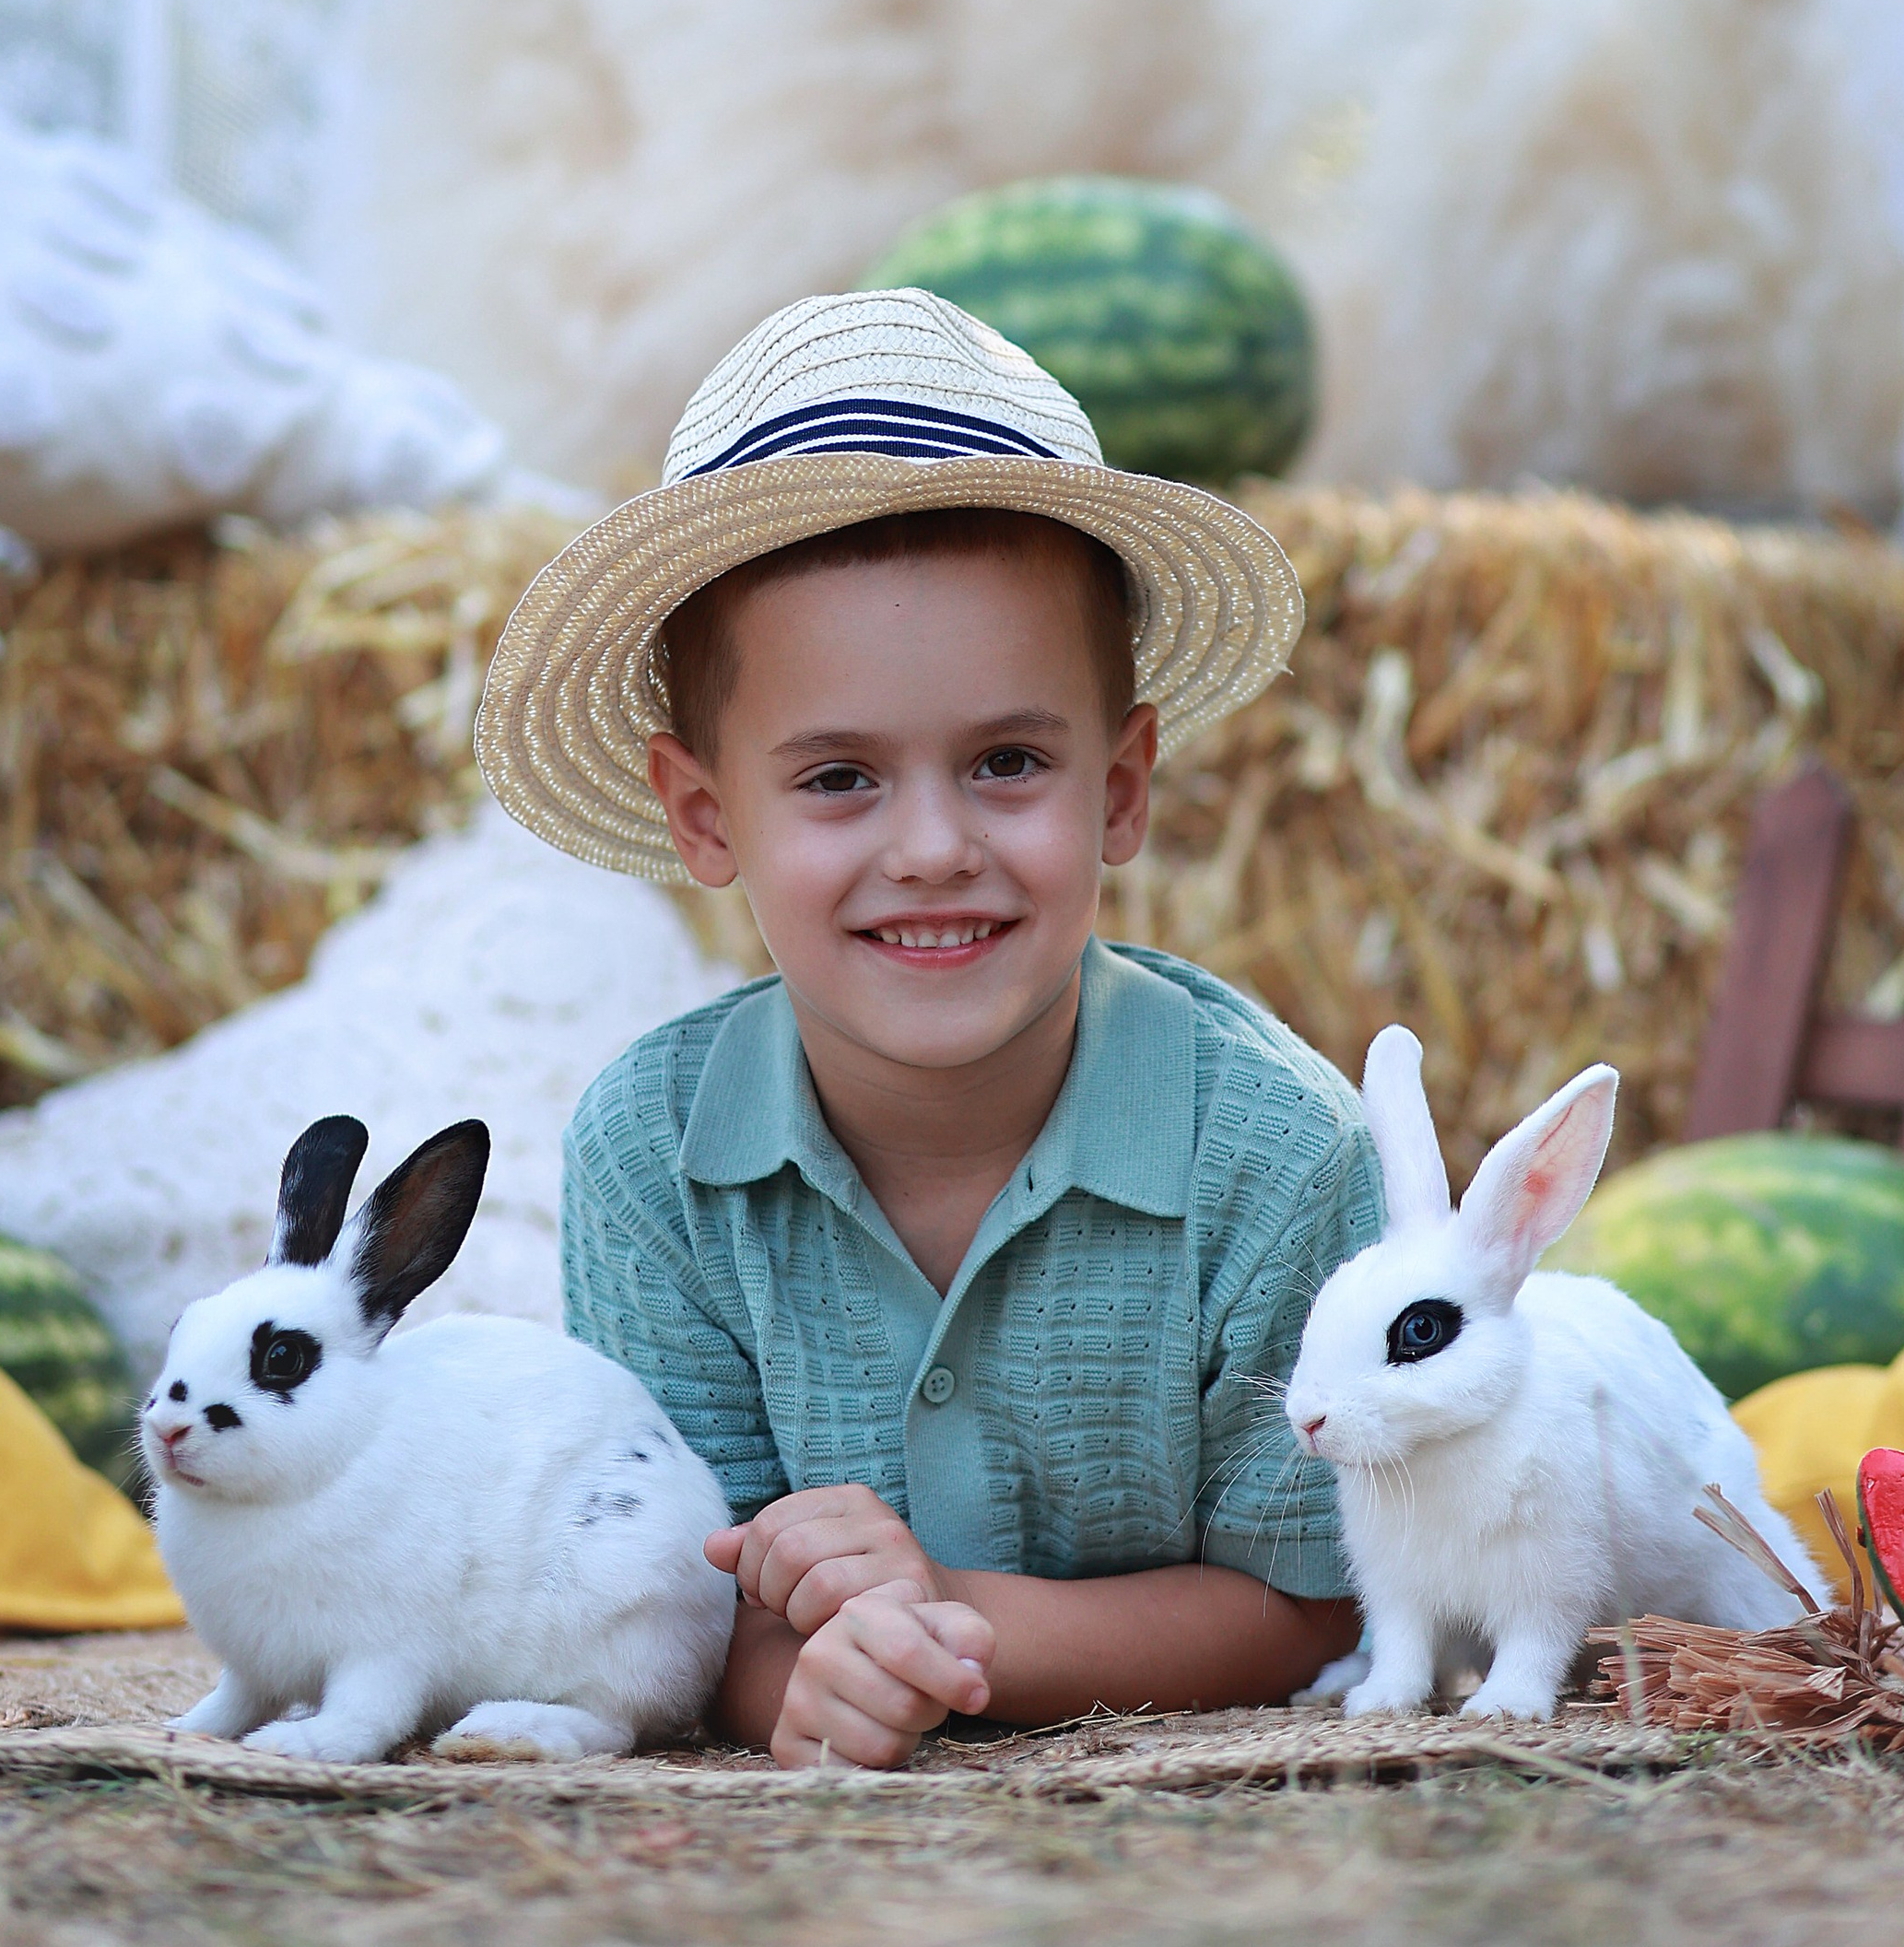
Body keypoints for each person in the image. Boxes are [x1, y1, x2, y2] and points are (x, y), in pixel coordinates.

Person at [476, 287, 1379, 1766]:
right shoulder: (654, 1155)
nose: (935, 848)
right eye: (838, 779)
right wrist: (800, 1688)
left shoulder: (1278, 1154)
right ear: (706, 817)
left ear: (1123, 788)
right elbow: (687, 1605)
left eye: (1008, 761)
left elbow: (1314, 1602)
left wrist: (948, 1624)